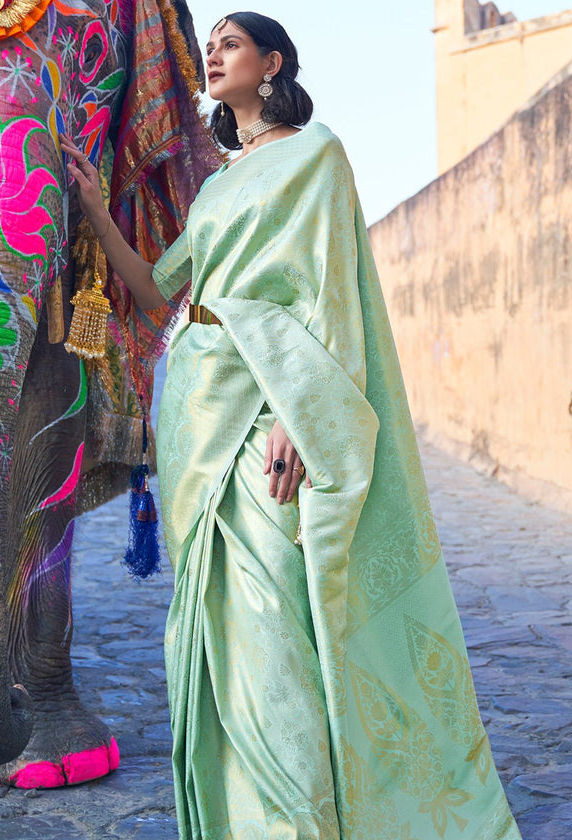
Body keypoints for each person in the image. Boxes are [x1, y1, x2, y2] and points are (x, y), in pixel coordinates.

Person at [60, 11, 522, 839]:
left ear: (273, 63)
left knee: (272, 621)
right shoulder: (216, 183)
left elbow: (327, 294)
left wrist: (294, 413)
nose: (215, 52)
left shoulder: (317, 156)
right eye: (215, 44)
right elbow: (161, 291)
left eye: (232, 43)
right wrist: (95, 211)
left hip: (267, 402)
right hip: (197, 405)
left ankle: (295, 819)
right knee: (217, 632)